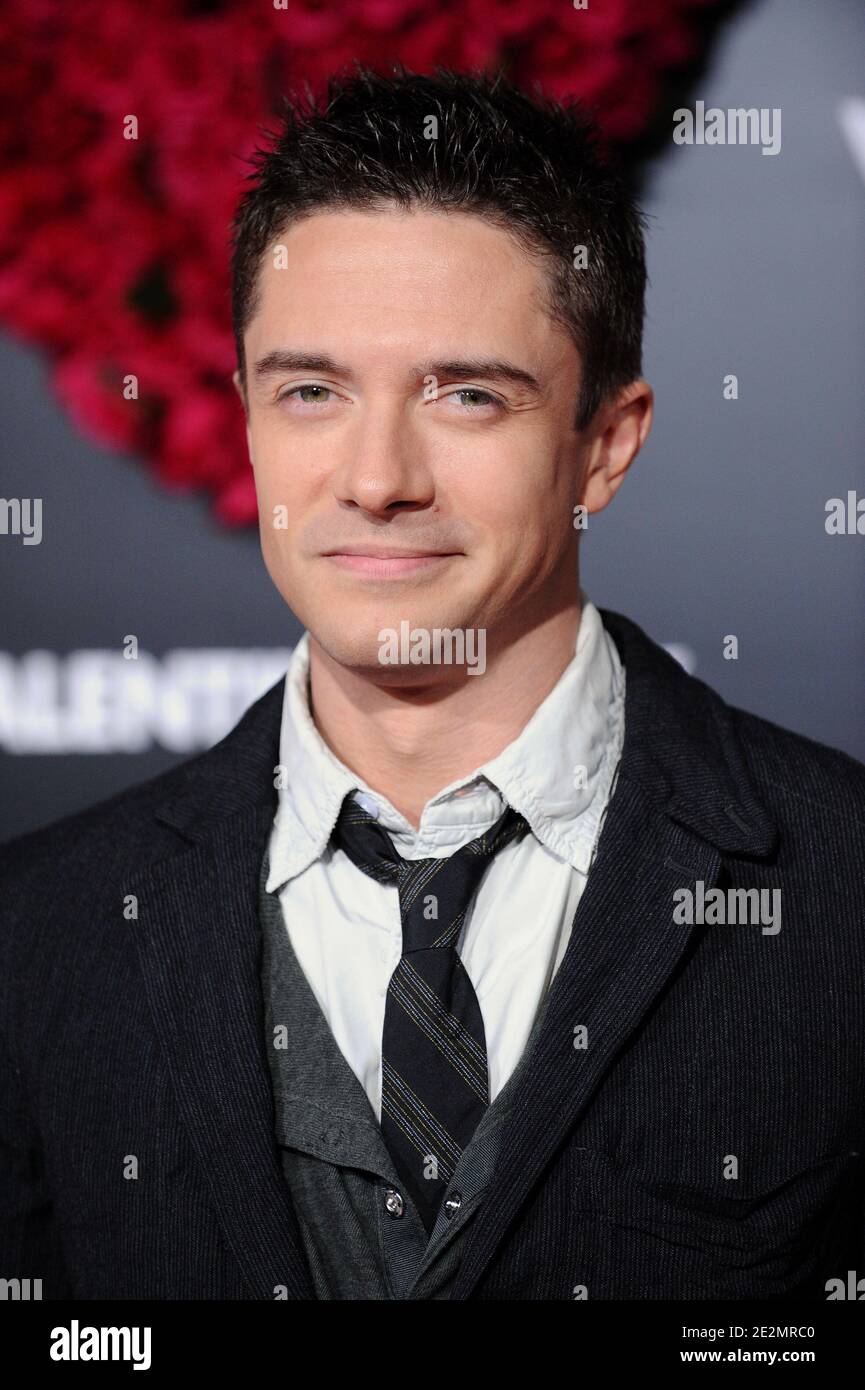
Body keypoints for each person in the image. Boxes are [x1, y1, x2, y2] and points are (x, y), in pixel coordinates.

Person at [1, 65, 863, 1302]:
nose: (376, 476)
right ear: (245, 415)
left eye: (465, 396)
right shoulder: (42, 929)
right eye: (312, 391)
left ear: (603, 445)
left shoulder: (840, 885)